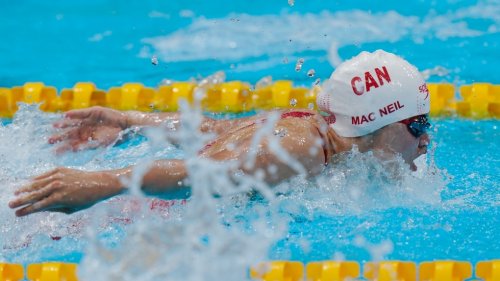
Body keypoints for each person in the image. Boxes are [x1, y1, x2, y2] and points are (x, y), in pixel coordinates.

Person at [9, 50, 431, 217]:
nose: (426, 140)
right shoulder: (301, 149)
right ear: (377, 125)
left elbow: (213, 130)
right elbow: (198, 174)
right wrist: (102, 182)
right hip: (135, 213)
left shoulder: (309, 126)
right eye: (418, 126)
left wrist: (126, 121)